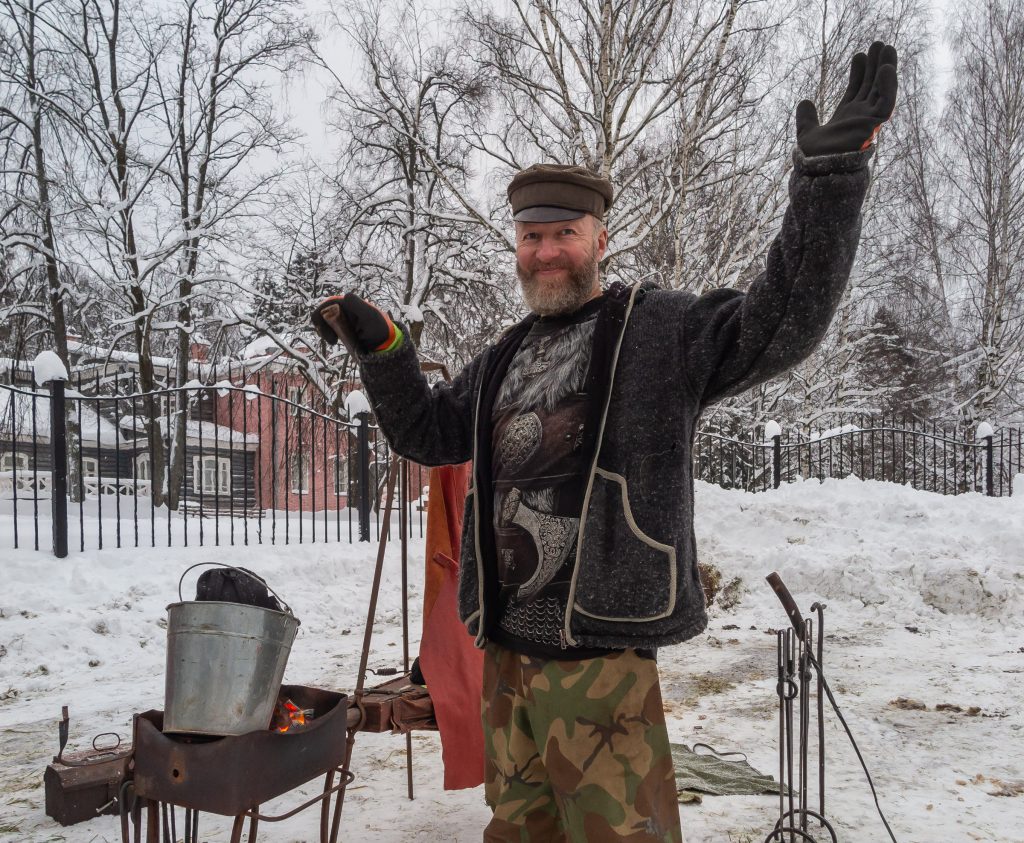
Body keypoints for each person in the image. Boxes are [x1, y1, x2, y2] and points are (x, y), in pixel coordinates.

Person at [312, 41, 898, 843]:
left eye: (564, 233)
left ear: (601, 238)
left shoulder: (656, 331)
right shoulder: (506, 355)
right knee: (517, 834)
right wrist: (385, 349)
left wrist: (827, 185)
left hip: (598, 662)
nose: (545, 251)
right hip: (507, 659)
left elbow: (782, 320)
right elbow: (425, 431)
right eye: (530, 236)